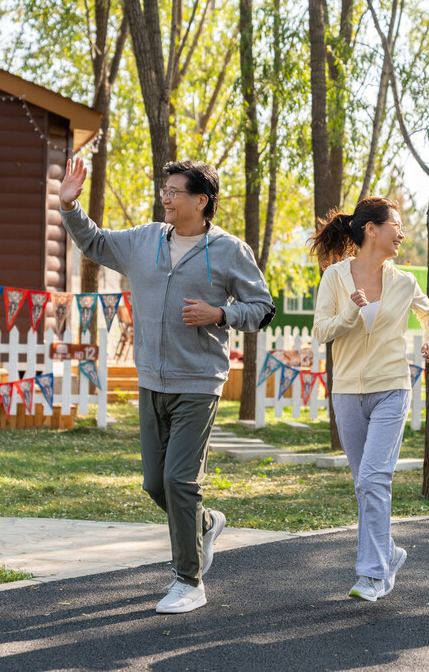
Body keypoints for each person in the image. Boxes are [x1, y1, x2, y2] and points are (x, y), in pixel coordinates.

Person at [58, 157, 274, 614]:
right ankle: (207, 523)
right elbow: (94, 243)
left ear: (202, 200)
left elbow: (261, 306)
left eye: (176, 190)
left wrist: (221, 314)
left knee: (179, 479)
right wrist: (70, 205)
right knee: (156, 483)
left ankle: (188, 581)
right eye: (165, 189)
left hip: (199, 381)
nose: (167, 196)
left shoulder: (230, 250)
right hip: (151, 380)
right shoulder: (144, 239)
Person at [311, 197, 429, 602]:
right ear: (372, 229)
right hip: (348, 391)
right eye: (396, 225)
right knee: (364, 482)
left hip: (391, 386)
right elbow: (320, 331)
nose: (401, 233)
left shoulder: (403, 281)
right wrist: (350, 313)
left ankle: (372, 575)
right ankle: (387, 552)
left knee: (373, 478)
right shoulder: (335, 277)